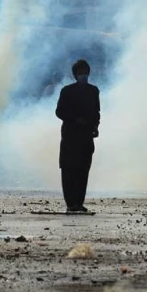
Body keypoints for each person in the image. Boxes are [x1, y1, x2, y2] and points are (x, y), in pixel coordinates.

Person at [55, 59, 100, 213]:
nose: (83, 76)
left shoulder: (93, 91)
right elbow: (59, 112)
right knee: (68, 169)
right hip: (70, 136)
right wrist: (75, 119)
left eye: (85, 73)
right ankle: (71, 204)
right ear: (75, 75)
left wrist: (95, 127)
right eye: (80, 73)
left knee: (83, 170)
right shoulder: (67, 91)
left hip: (86, 136)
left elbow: (97, 112)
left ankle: (79, 203)